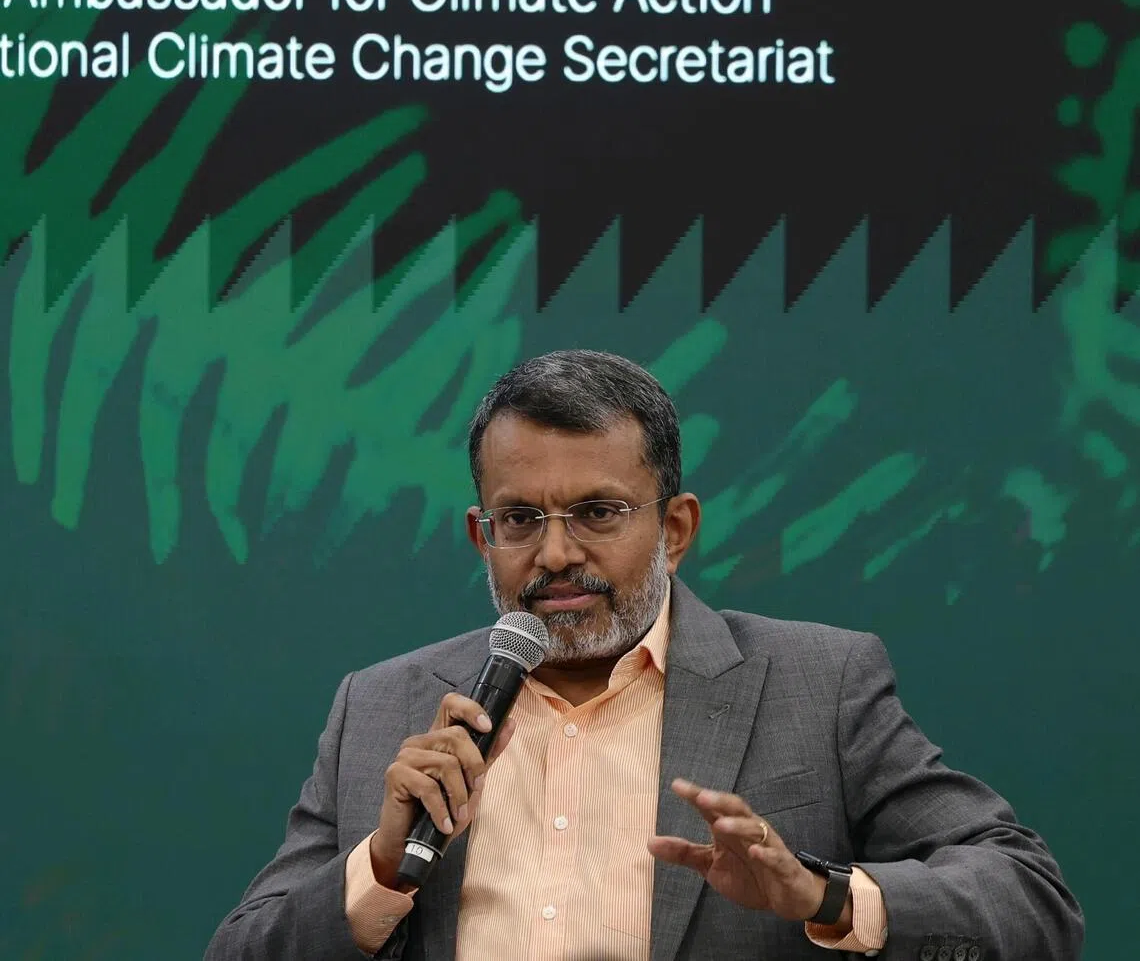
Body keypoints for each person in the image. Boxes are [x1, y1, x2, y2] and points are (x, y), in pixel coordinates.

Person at [204, 350, 1083, 961]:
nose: (555, 555)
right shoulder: (380, 707)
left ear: (676, 528)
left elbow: (1030, 901)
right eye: (521, 520)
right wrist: (380, 868)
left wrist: (825, 894)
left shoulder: (819, 685)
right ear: (482, 536)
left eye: (597, 512)